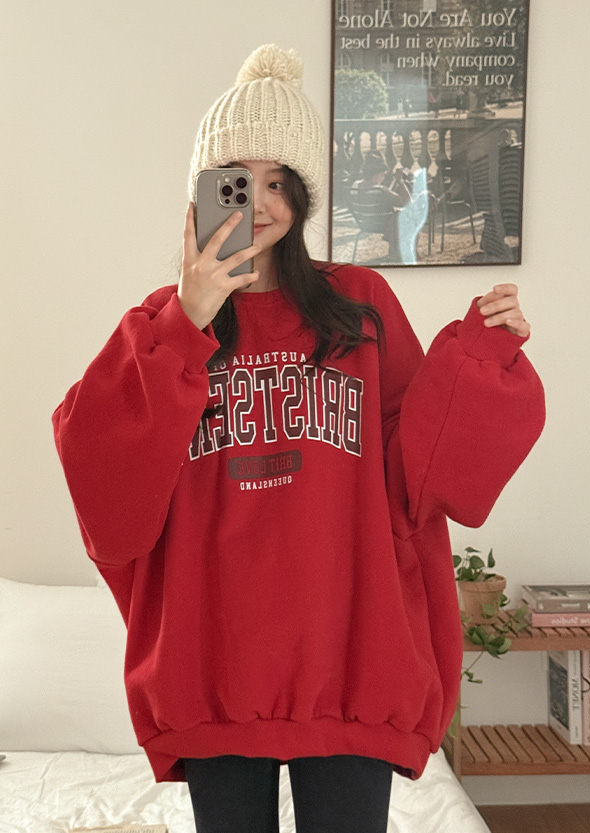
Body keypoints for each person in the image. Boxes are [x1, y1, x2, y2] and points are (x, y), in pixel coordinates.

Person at [52, 44, 545, 833]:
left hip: (350, 663)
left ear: (305, 195)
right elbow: (102, 481)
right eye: (236, 181)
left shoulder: (360, 307)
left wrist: (486, 360)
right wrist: (188, 317)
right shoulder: (159, 326)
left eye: (279, 181)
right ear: (203, 193)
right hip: (216, 668)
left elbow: (421, 473)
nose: (260, 202)